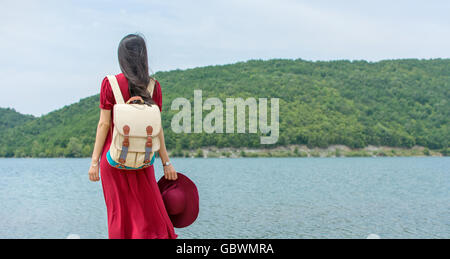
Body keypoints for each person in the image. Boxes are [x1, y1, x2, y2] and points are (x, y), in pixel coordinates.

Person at [88, 34, 178, 239]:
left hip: (113, 159)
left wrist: (94, 162)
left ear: (122, 57)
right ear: (143, 56)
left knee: (119, 215)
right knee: (148, 217)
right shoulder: (154, 87)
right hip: (143, 159)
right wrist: (166, 163)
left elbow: (103, 125)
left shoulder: (109, 83)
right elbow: (158, 129)